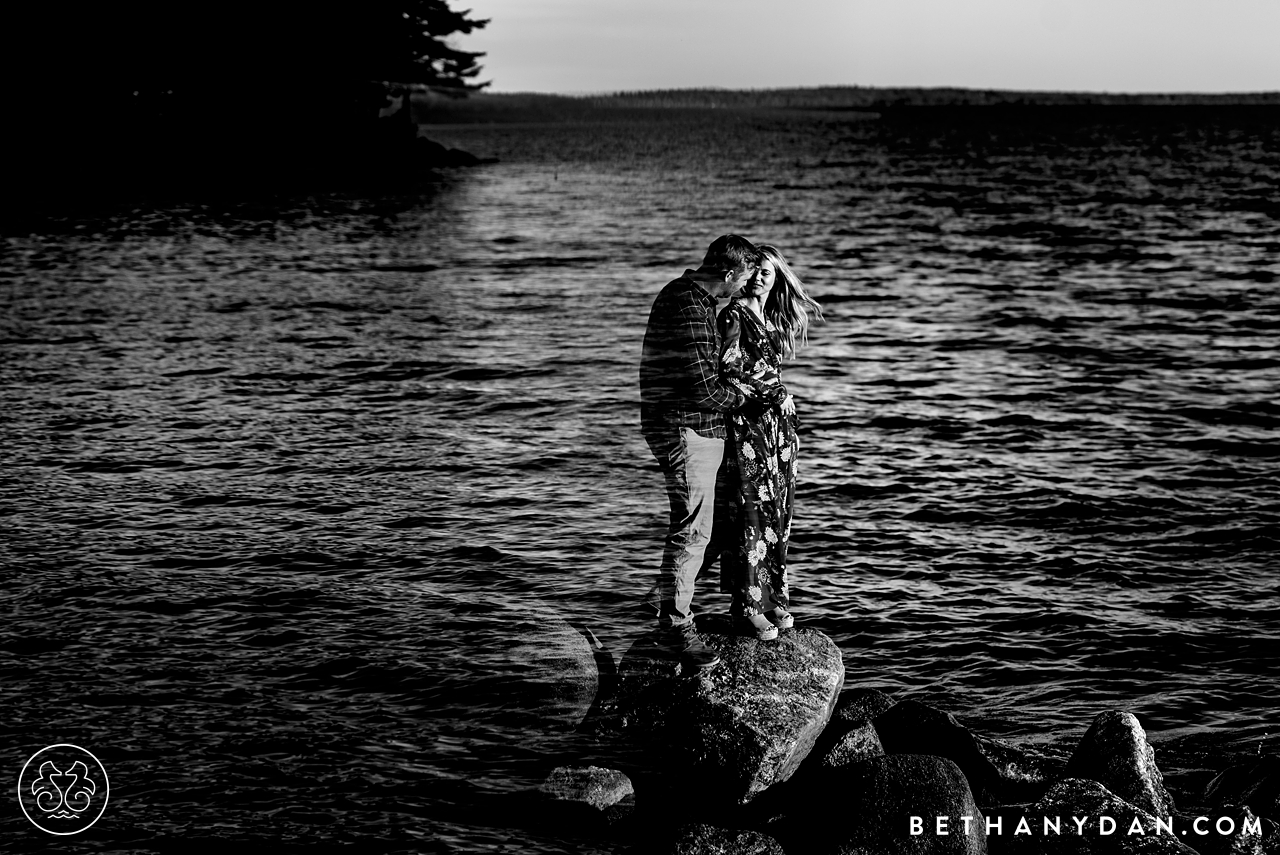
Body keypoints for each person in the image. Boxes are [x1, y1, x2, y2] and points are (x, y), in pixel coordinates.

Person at [639, 235, 785, 673]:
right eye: (741, 278)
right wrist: (750, 402)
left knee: (714, 524)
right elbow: (702, 386)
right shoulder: (686, 305)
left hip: (697, 428)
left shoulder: (695, 300)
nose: (743, 287)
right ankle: (675, 630)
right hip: (687, 430)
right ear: (727, 272)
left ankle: (666, 605)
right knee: (692, 530)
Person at [717, 245, 823, 641]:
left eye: (768, 271)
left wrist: (783, 409)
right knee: (750, 515)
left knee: (779, 515)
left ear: (778, 276)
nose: (761, 276)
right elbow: (728, 369)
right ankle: (746, 608)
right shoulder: (734, 314)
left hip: (778, 433)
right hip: (748, 429)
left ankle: (773, 597)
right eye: (756, 270)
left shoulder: (770, 319)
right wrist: (776, 393)